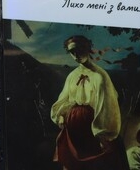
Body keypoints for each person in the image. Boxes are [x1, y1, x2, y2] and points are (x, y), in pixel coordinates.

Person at [51, 35, 129, 170]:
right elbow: (63, 99)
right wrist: (61, 115)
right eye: (72, 52)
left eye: (80, 49)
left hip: (92, 125)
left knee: (94, 162)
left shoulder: (100, 76)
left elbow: (106, 106)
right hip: (73, 126)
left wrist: (101, 133)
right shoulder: (72, 76)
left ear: (88, 48)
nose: (76, 55)